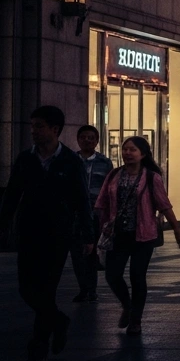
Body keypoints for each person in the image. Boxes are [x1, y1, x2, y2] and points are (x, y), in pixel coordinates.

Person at [0, 106, 96, 361]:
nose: (33, 130)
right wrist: (4, 224)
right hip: (28, 232)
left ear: (55, 130)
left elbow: (81, 200)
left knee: (47, 289)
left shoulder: (70, 161)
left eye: (39, 126)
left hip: (57, 235)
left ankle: (39, 342)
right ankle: (58, 321)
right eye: (32, 125)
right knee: (25, 288)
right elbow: (11, 195)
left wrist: (88, 234)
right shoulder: (25, 159)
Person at [95, 136, 180, 335]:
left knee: (137, 276)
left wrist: (178, 230)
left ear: (142, 154)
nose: (127, 153)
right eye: (125, 149)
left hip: (143, 235)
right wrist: (100, 228)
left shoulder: (152, 177)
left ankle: (135, 320)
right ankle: (127, 305)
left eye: (132, 150)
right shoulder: (114, 175)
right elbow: (102, 203)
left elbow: (164, 205)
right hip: (118, 234)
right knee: (112, 274)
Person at [71, 123, 112, 303]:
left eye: (91, 138)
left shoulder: (104, 162)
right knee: (77, 252)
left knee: (92, 251)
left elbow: (110, 187)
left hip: (96, 212)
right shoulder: (70, 160)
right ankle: (83, 288)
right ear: (78, 139)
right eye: (83, 137)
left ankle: (92, 289)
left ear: (96, 141)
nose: (87, 140)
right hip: (74, 213)